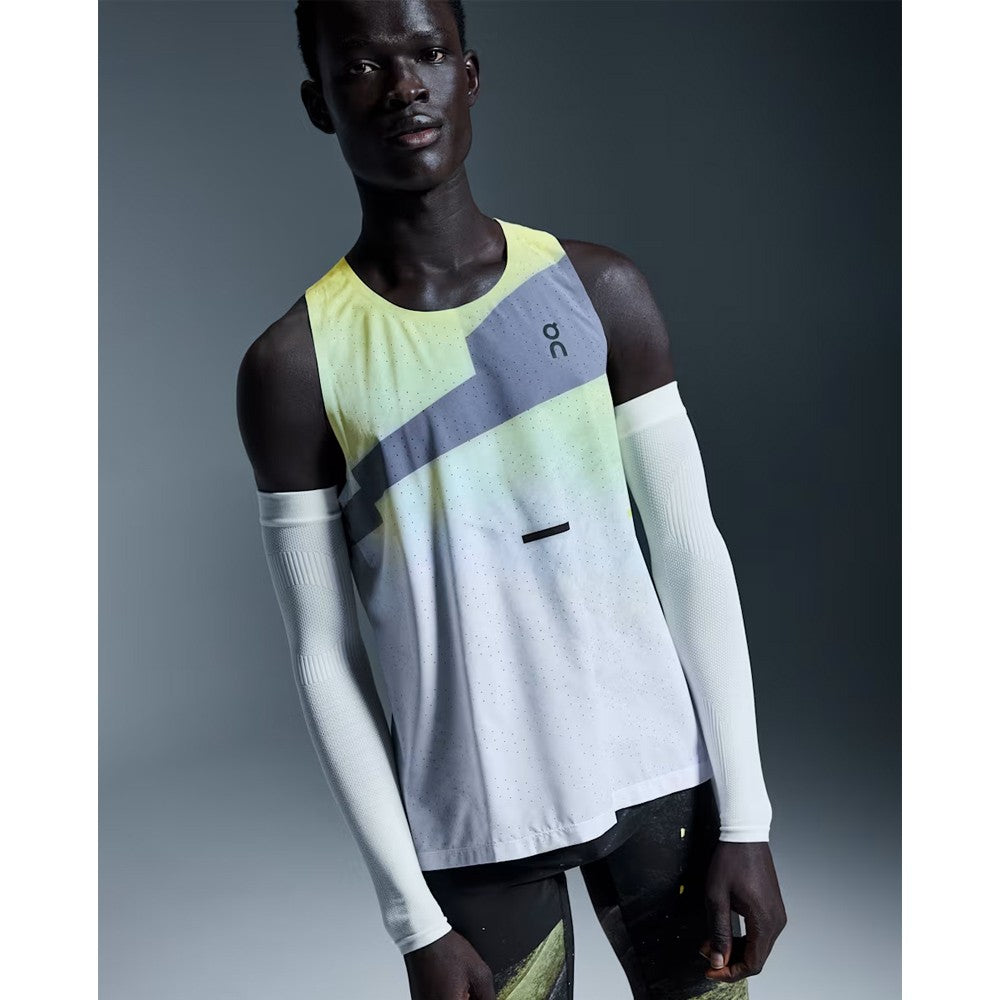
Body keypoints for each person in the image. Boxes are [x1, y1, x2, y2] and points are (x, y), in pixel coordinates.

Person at [236, 1, 787, 997]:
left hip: (660, 777)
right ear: (320, 102)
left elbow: (688, 549)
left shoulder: (599, 290)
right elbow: (324, 656)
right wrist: (413, 921)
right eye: (362, 66)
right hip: (474, 815)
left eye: (428, 52)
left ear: (471, 73)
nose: (404, 87)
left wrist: (744, 819)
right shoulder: (296, 365)